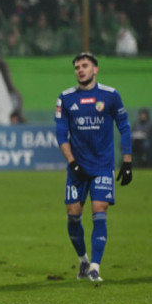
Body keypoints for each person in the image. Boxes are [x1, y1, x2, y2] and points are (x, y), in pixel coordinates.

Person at [54, 52, 133, 283]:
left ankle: (95, 267)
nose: (80, 69)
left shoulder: (110, 95)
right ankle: (83, 259)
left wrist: (127, 162)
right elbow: (61, 134)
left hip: (102, 166)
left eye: (85, 65)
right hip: (77, 167)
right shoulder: (66, 98)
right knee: (73, 215)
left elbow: (124, 126)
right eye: (77, 66)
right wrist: (72, 164)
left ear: (95, 69)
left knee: (99, 211)